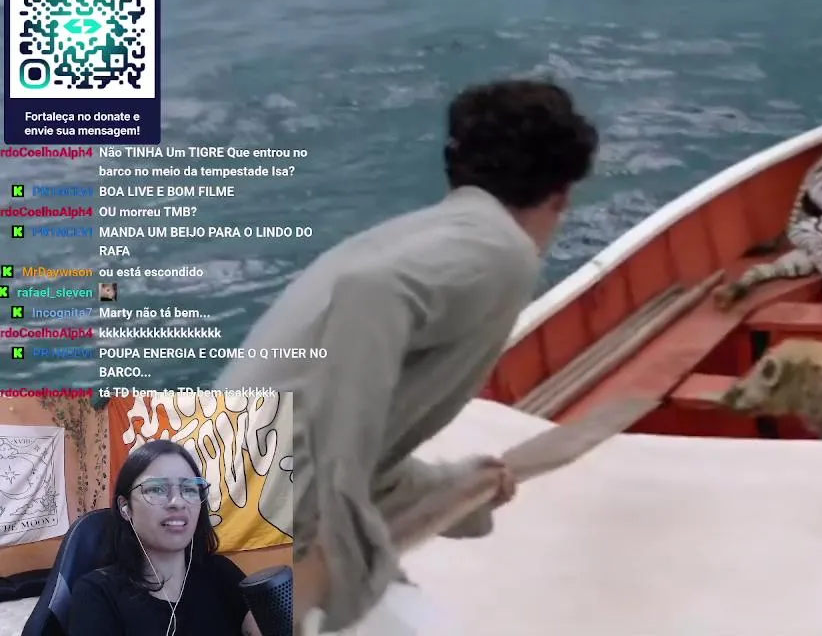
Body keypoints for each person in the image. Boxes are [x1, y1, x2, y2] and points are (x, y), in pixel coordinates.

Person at [212, 78, 599, 633]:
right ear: (560, 196)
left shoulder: (421, 236)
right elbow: (373, 295)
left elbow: (333, 425)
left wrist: (458, 486)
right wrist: (341, 528)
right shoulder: (502, 252)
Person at [67, 439, 263, 636]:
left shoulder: (220, 573)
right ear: (125, 507)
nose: (178, 502)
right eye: (157, 489)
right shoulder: (97, 593)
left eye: (189, 489)